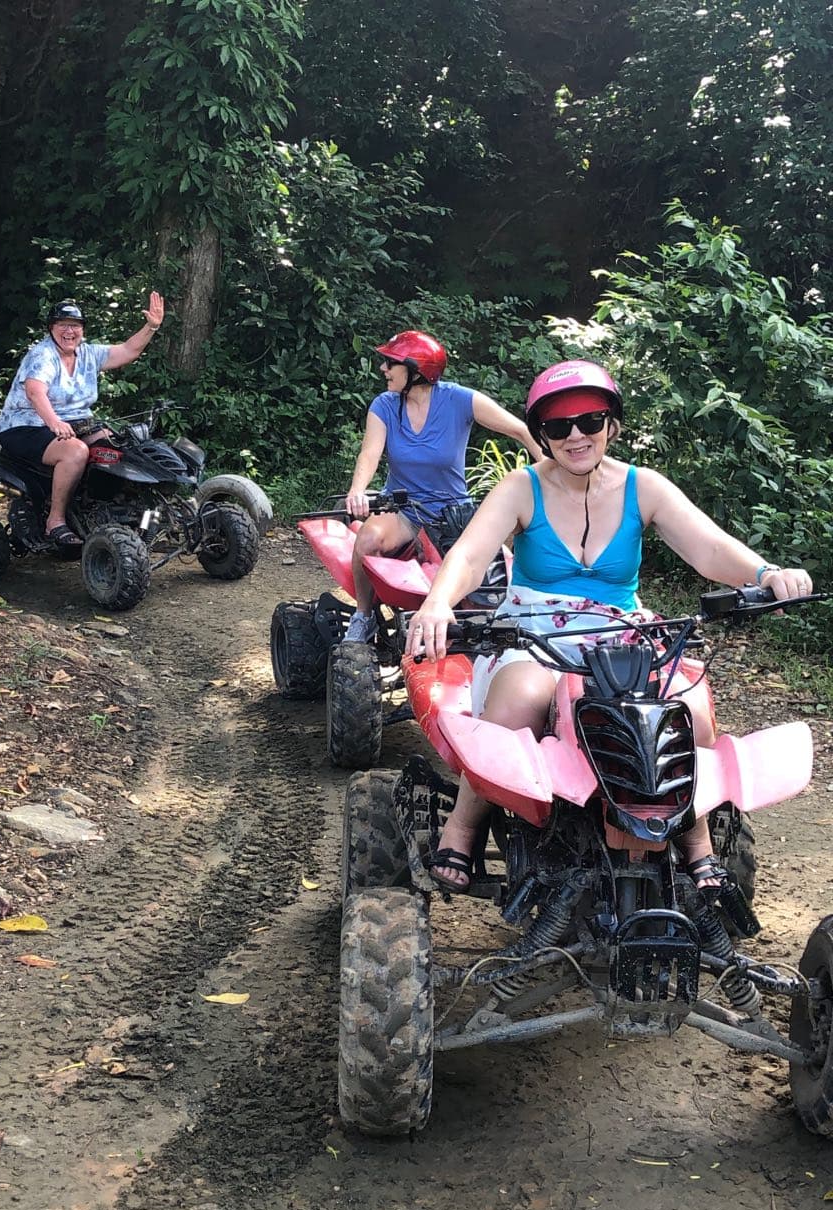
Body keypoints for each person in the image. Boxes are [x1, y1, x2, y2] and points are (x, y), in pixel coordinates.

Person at [406, 358, 814, 891]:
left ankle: (695, 841)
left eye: (590, 421)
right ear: (542, 435)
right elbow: (468, 556)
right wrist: (438, 601)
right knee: (517, 702)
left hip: (623, 632)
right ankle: (463, 828)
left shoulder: (642, 487)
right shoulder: (521, 488)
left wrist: (767, 573)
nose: (576, 436)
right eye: (558, 426)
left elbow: (709, 546)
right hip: (535, 631)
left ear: (612, 425)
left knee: (688, 707)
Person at [342, 329, 542, 642]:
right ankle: (363, 616)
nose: (383, 369)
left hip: (454, 512)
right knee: (367, 538)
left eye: (390, 363)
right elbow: (370, 454)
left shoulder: (460, 399)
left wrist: (550, 472)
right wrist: (358, 490)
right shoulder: (384, 405)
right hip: (404, 510)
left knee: (499, 568)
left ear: (416, 371)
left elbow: (522, 430)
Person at [0, 292, 165, 546]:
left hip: (75, 424)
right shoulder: (43, 355)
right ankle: (55, 521)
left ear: (82, 329)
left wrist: (152, 326)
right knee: (75, 452)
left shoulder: (87, 354)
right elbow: (35, 391)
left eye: (75, 325)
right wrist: (54, 422)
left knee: (118, 448)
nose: (69, 331)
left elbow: (129, 350)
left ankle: (115, 513)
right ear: (51, 328)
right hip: (27, 426)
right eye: (62, 324)